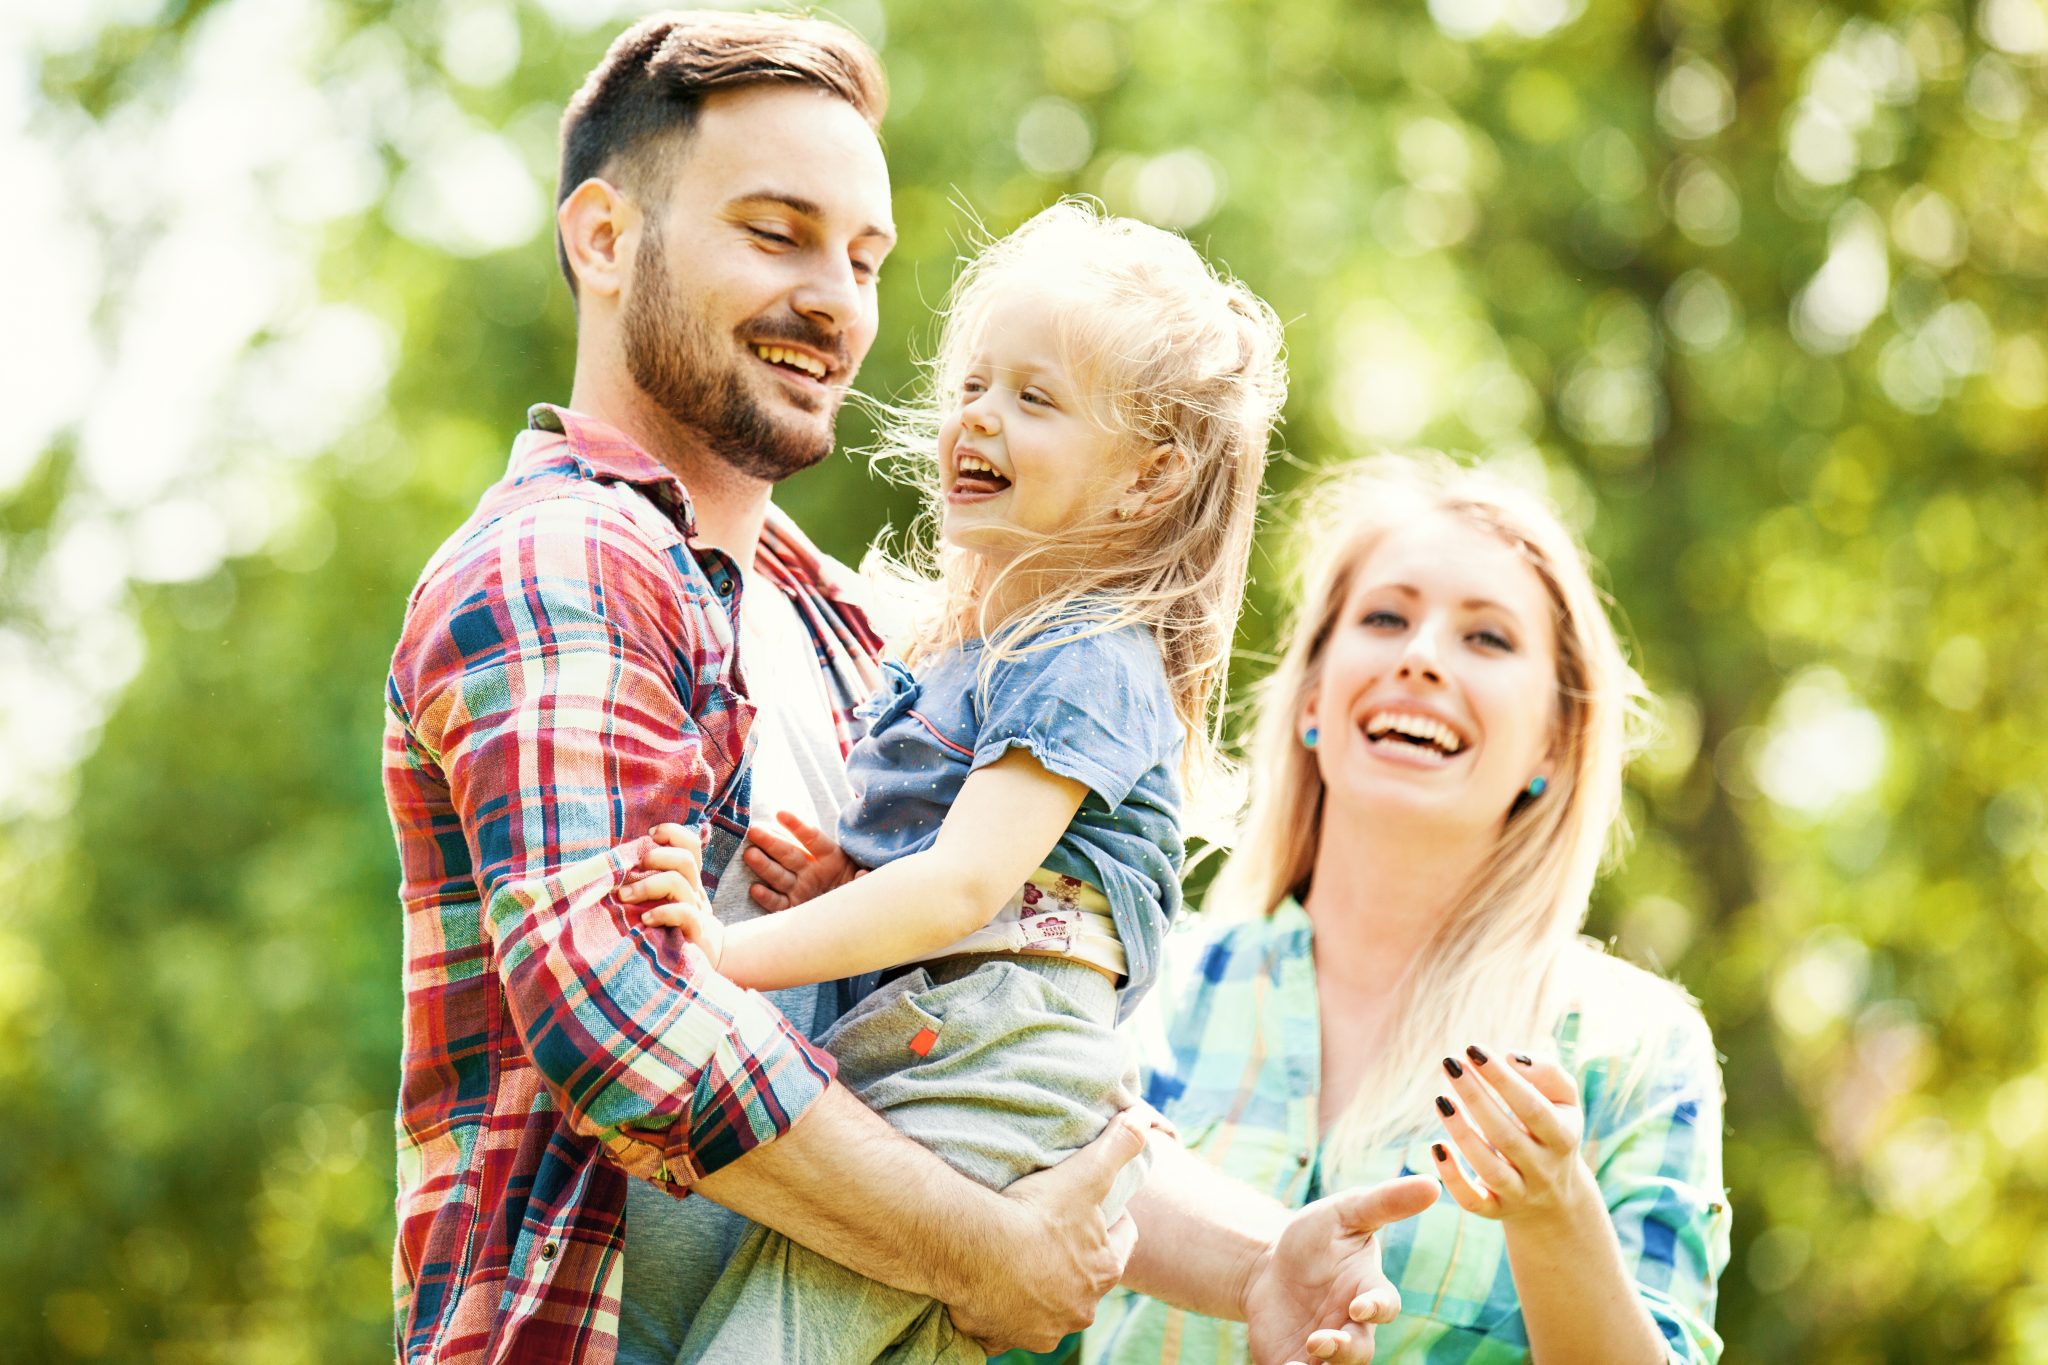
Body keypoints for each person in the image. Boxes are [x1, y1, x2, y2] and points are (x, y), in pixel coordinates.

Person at [384, 13, 1428, 1365]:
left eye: (864, 257)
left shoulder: (863, 642)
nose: (837, 298)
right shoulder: (566, 561)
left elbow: (976, 1074)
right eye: (776, 232)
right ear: (604, 239)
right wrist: (978, 1255)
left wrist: (1256, 1265)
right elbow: (623, 1017)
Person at [616, 198, 1304, 1363]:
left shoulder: (1084, 653)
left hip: (992, 1064)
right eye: (975, 386)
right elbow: (948, 873)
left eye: (1035, 398)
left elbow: (957, 892)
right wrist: (851, 874)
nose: (978, 417)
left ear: (1148, 479)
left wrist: (713, 962)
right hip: (931, 1047)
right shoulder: (970, 656)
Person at [1085, 456, 1732, 1363]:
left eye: (1489, 638)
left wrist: (1555, 1211)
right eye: (1386, 617)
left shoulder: (1632, 1046)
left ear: (1552, 739)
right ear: (1314, 698)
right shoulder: (1140, 984)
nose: (1420, 656)